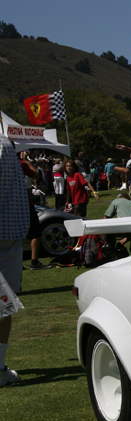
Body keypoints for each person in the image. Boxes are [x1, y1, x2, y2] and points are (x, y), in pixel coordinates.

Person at [0, 133, 29, 387]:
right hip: (7, 232)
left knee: (2, 303)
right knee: (2, 303)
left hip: (6, 231)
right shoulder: (4, 143)